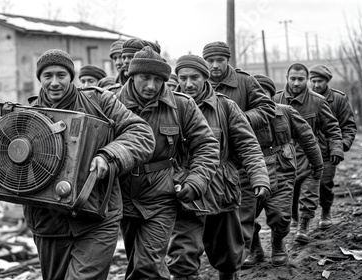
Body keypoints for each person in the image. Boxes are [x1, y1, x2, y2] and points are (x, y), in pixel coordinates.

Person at [24, 49, 154, 280]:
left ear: (71, 76)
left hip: (97, 216)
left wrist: (109, 155)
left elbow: (141, 133)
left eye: (61, 75)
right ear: (39, 78)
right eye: (48, 76)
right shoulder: (26, 116)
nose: (54, 82)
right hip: (48, 222)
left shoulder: (99, 101)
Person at [116, 46, 220, 280]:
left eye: (158, 79)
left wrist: (196, 181)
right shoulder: (111, 103)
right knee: (135, 262)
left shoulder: (181, 105)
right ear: (132, 76)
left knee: (148, 266)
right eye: (145, 78)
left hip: (161, 196)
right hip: (121, 195)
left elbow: (207, 145)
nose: (151, 86)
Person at [167, 54, 270, 280]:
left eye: (195, 77)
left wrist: (259, 177)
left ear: (205, 77)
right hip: (184, 191)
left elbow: (248, 145)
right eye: (183, 78)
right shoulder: (168, 107)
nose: (188, 83)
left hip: (221, 189)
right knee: (182, 256)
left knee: (228, 253)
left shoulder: (225, 106)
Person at [203, 41, 276, 261]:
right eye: (210, 61)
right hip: (210, 163)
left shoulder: (245, 82)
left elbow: (267, 108)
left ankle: (239, 258)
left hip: (240, 160)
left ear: (228, 61)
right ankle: (247, 248)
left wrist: (240, 119)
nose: (215, 65)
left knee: (243, 213)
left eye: (220, 61)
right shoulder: (198, 83)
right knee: (220, 219)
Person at [243, 74, 323, 268]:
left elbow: (307, 138)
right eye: (257, 94)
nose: (262, 97)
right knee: (244, 216)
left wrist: (317, 164)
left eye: (266, 93)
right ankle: (255, 248)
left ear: (272, 95)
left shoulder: (286, 112)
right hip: (250, 172)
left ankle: (278, 244)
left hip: (282, 170)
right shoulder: (242, 117)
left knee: (280, 215)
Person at [274, 63, 343, 244]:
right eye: (293, 79)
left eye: (301, 79)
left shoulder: (318, 101)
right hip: (286, 159)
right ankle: (296, 221)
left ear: (307, 80)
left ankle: (303, 226)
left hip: (311, 155)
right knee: (290, 196)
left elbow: (333, 128)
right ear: (287, 78)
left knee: (309, 192)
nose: (296, 83)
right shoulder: (276, 100)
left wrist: (336, 148)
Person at [309, 64, 357, 229]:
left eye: (320, 81)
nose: (316, 85)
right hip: (305, 152)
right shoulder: (305, 98)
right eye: (313, 81)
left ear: (327, 81)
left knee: (324, 183)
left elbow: (349, 126)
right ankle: (301, 220)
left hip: (328, 151)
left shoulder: (338, 99)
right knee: (299, 185)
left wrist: (341, 146)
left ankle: (326, 211)